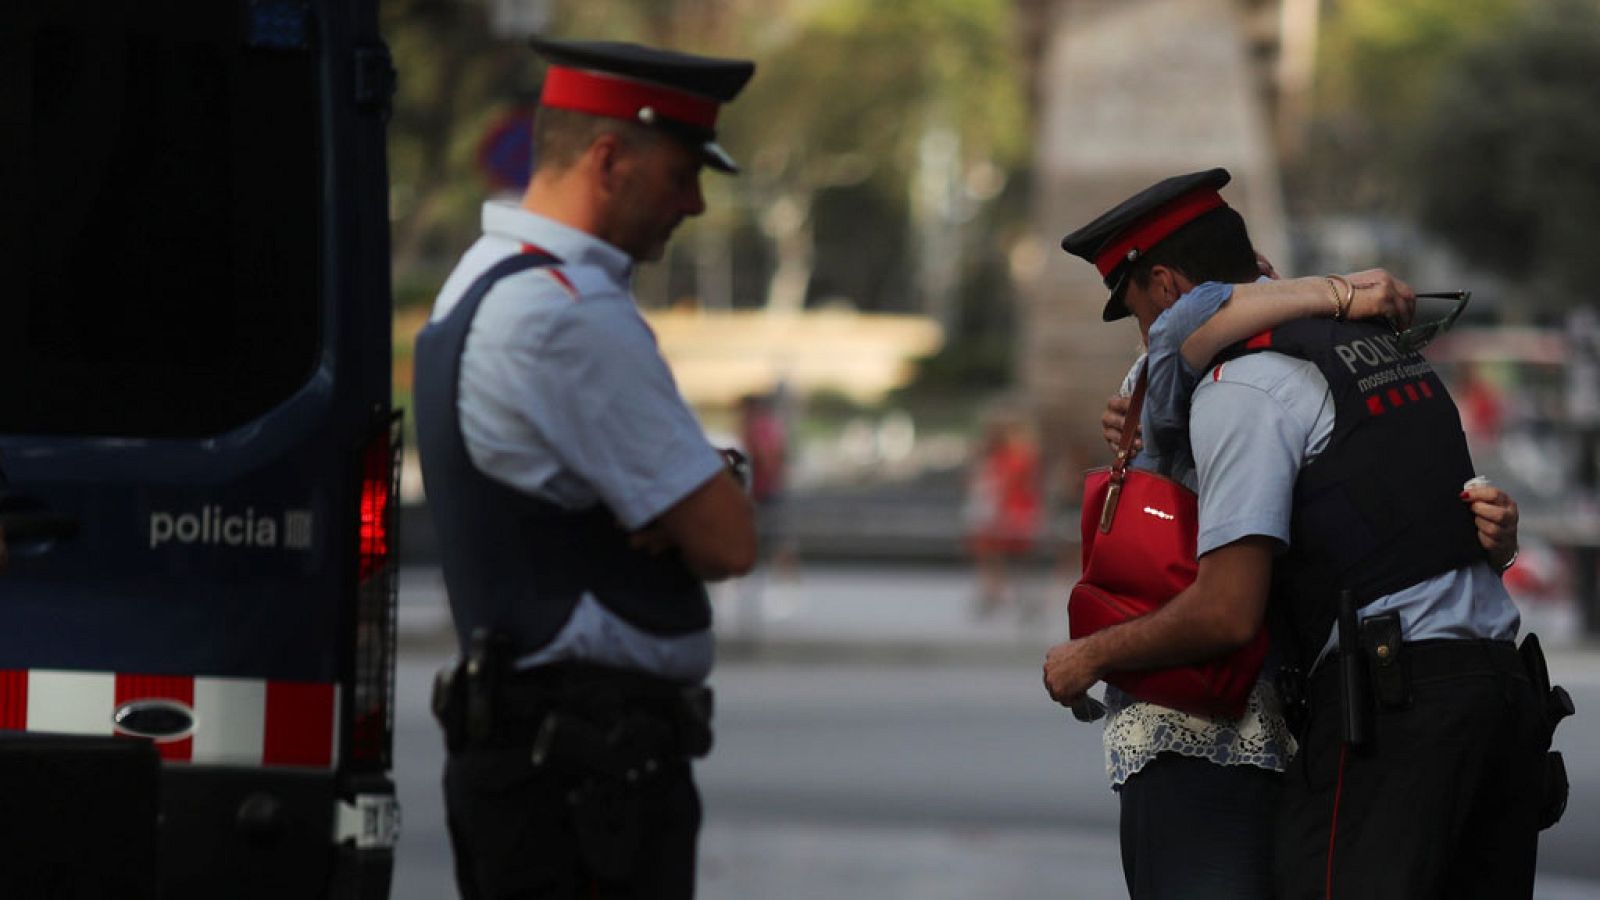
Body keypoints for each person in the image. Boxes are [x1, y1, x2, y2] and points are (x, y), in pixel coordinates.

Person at [1045, 169, 1538, 900]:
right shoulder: (1379, 350)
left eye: (1143, 314)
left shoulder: (1239, 386)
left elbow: (1225, 611)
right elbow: (1420, 529)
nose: (1148, 348)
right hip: (1501, 688)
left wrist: (1088, 656)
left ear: (1167, 285)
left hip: (1394, 700)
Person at [411, 37, 757, 899]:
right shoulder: (572, 314)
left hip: (545, 763)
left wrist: (691, 489)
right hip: (586, 778)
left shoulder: (484, 279)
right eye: (682, 174)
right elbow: (726, 540)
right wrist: (699, 493)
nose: (695, 205)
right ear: (609, 158)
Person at [965, 412, 1042, 617]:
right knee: (993, 555)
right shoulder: (999, 457)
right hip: (998, 511)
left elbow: (1020, 484)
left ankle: (1019, 599)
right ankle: (995, 594)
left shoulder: (1020, 456)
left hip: (1013, 512)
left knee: (1015, 557)